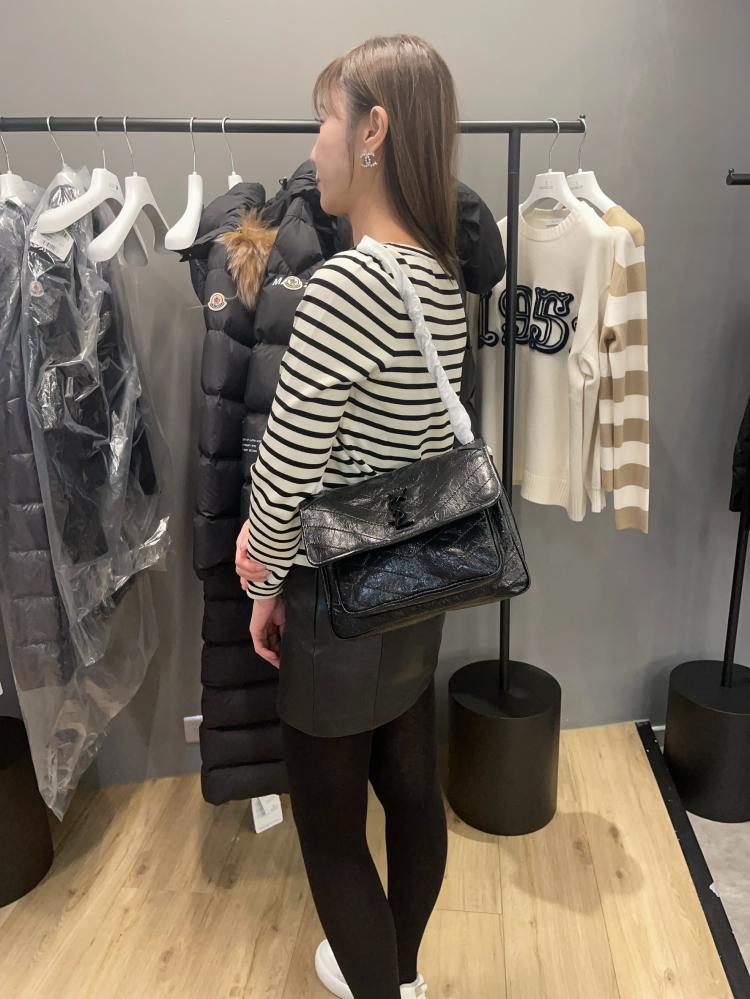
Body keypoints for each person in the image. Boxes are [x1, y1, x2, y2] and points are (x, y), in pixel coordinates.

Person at [235, 33, 466, 999]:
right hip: (414, 578)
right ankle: (400, 974)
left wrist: (260, 576)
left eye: (324, 121)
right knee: (412, 793)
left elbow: (287, 470)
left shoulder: (347, 285)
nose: (314, 146)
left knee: (331, 836)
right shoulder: (442, 275)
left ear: (373, 132)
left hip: (336, 596)